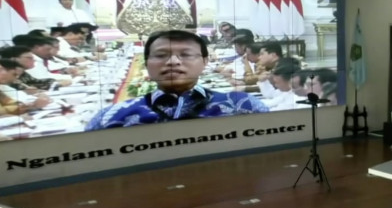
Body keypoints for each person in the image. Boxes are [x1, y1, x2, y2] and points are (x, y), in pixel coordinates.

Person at [85, 30, 268, 130]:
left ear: (205, 62)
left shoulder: (244, 106)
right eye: (161, 55)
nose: (173, 62)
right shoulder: (109, 118)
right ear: (146, 63)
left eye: (186, 55)